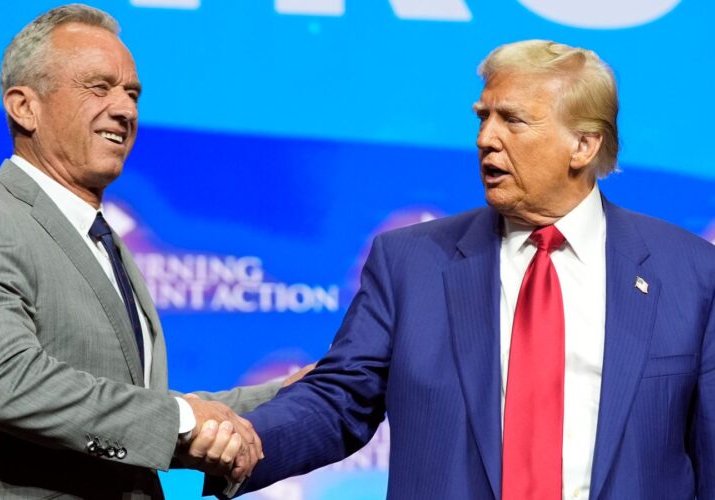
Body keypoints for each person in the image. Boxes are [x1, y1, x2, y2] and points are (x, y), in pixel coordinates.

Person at [217, 40, 715, 499]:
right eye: (483, 117)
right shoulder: (410, 263)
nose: (485, 139)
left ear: (583, 146)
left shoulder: (691, 273)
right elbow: (339, 400)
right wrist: (241, 442)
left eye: (513, 121)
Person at [0, 5, 304, 499]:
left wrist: (284, 397)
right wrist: (182, 422)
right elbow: (3, 382)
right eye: (98, 87)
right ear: (23, 106)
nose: (126, 109)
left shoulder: (98, 237)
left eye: (132, 93)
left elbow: (133, 407)